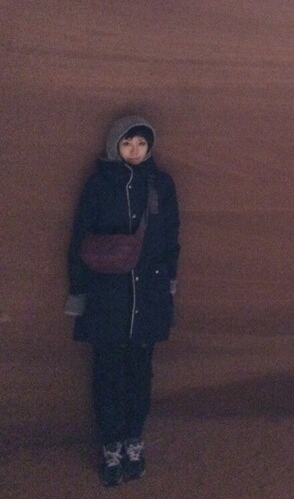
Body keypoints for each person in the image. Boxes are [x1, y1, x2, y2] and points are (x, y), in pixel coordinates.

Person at [65, 115, 180, 487]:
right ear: (115, 145)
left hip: (148, 296)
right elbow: (80, 237)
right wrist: (78, 293)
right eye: (128, 143)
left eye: (142, 143)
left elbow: (171, 238)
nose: (135, 150)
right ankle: (111, 446)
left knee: (140, 374)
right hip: (107, 297)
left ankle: (134, 440)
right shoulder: (99, 184)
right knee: (107, 374)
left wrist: (169, 288)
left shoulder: (160, 184)